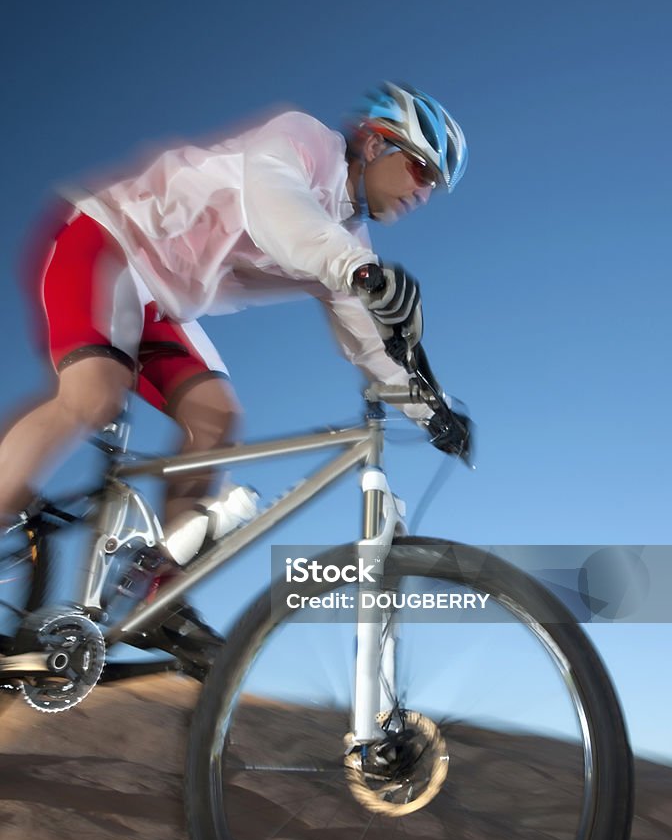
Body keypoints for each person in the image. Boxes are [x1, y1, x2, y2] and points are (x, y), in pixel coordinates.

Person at [0, 81, 472, 664]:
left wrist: (433, 411)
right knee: (93, 395)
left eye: (434, 185)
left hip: (159, 304)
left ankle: (160, 597)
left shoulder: (346, 239)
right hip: (104, 245)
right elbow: (280, 209)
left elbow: (372, 347)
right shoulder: (304, 143)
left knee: (217, 420)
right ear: (375, 145)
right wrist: (359, 271)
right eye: (421, 170)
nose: (424, 192)